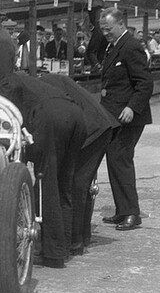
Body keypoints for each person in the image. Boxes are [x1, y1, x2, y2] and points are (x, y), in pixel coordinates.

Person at [0, 73, 87, 269]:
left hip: (51, 117)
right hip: (76, 115)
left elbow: (8, 118)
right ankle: (63, 246)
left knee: (47, 185)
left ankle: (53, 254)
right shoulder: (32, 82)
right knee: (64, 184)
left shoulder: (6, 82)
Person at [39, 73, 121, 254]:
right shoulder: (47, 81)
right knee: (81, 186)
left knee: (75, 185)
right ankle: (81, 237)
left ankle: (74, 242)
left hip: (93, 130)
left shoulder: (37, 88)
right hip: (100, 126)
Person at [98, 7, 154, 231]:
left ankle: (132, 213)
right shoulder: (114, 46)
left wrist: (132, 107)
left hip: (129, 117)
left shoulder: (131, 46)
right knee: (115, 161)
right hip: (114, 115)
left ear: (121, 24)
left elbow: (145, 82)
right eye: (103, 30)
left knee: (121, 161)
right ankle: (122, 211)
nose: (105, 34)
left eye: (108, 29)